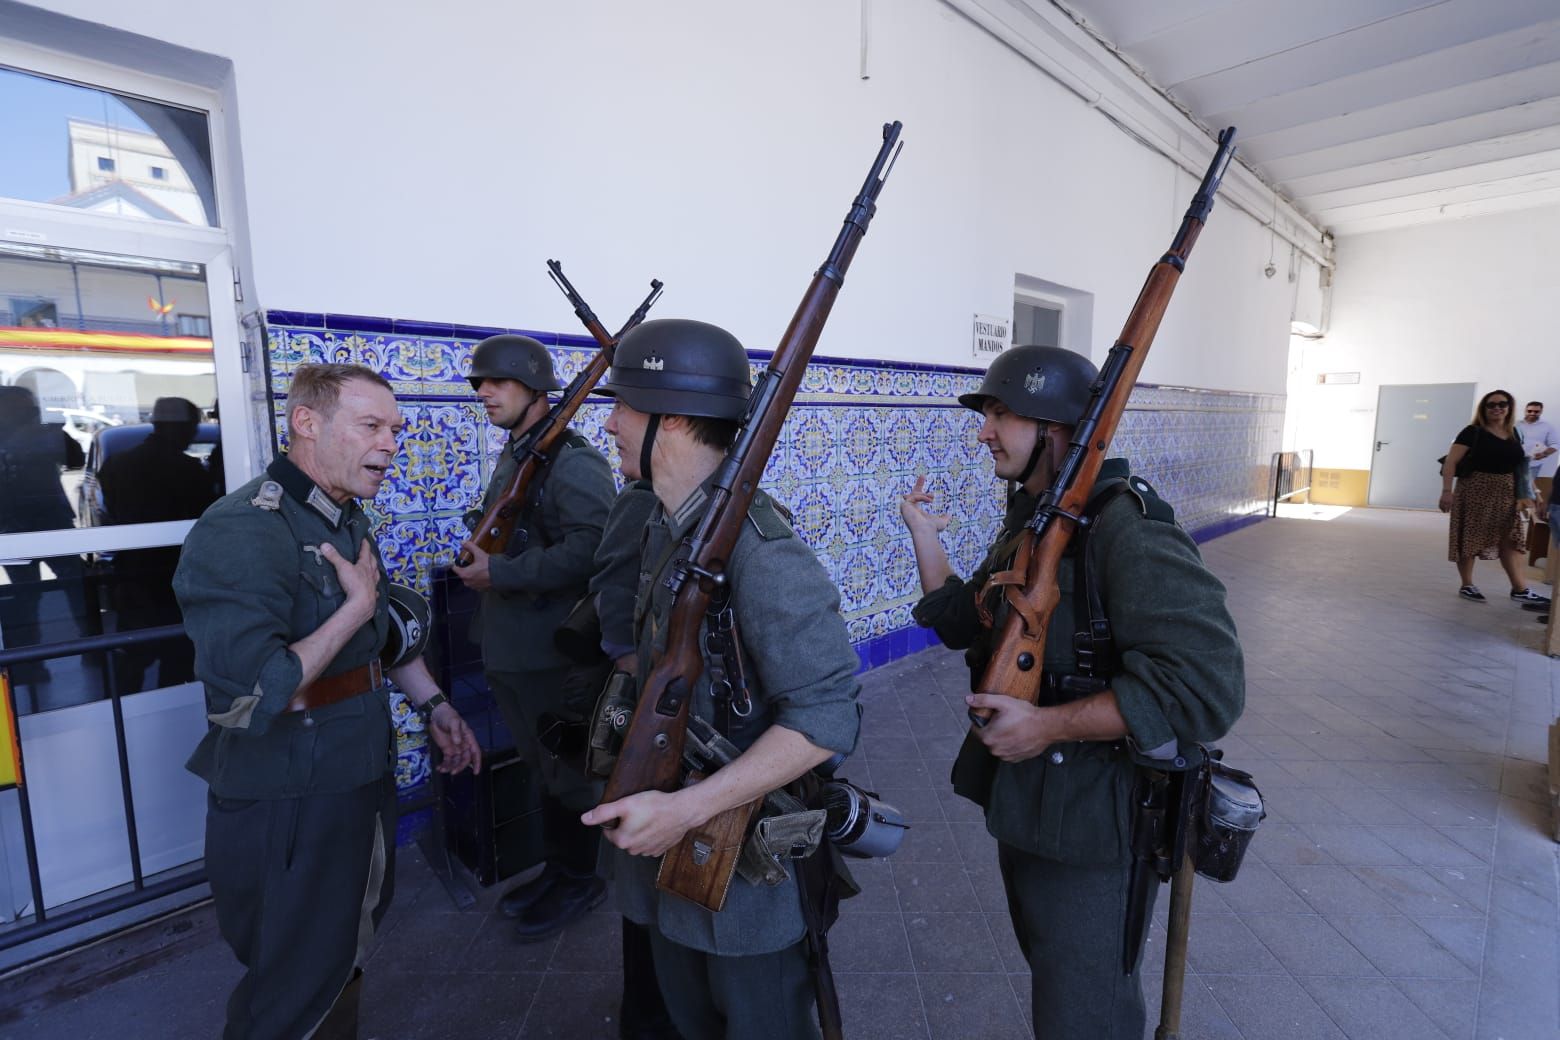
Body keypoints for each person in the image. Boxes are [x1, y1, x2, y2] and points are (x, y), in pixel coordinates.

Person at [900, 344, 1244, 1039]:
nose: (983, 431)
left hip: (1097, 825)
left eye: (1001, 415)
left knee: (1084, 1013)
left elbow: (1208, 684)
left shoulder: (1125, 527)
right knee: (1056, 977)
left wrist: (1049, 726)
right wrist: (924, 538)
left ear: (1055, 431)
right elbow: (970, 624)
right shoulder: (1039, 517)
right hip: (1030, 808)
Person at [173, 363, 482, 1040]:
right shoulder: (243, 529)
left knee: (342, 948)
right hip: (291, 793)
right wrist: (354, 609)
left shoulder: (344, 517)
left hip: (353, 771)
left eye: (395, 429)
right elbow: (251, 692)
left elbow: (379, 639)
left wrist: (434, 706)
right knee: (290, 983)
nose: (391, 443)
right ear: (305, 423)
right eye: (372, 426)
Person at [581, 318, 861, 1040]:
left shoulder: (762, 552)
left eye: (624, 406)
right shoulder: (667, 525)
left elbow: (828, 719)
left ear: (670, 419)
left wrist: (687, 808)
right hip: (665, 859)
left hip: (744, 886)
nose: (609, 424)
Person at [451, 334, 617, 939]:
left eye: (496, 382)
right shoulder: (518, 454)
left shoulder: (572, 461)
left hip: (553, 652)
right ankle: (559, 868)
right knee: (541, 769)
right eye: (478, 383)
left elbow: (597, 548)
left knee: (568, 771)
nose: (484, 392)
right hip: (512, 647)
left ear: (535, 388)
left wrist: (503, 572)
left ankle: (582, 879)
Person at [98, 396, 217, 692]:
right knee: (176, 655)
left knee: (133, 653)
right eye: (191, 428)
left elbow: (111, 509)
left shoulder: (117, 464)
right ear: (180, 428)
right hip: (174, 576)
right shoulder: (187, 471)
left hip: (133, 575)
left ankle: (124, 711)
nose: (193, 436)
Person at [1439, 389, 1546, 604]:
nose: (1497, 408)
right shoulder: (1472, 432)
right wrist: (1447, 492)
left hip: (1506, 493)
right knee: (1470, 537)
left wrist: (1535, 492)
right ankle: (1467, 585)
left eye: (1502, 404)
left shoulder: (1515, 433)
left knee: (1510, 539)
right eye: (1491, 404)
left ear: (1509, 407)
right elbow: (1451, 462)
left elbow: (1521, 467)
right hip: (1474, 490)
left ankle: (1519, 589)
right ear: (1484, 409)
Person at [1519, 400, 1559, 502]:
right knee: (1512, 488)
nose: (1532, 413)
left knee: (1526, 490)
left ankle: (1527, 515)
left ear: (1541, 412)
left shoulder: (1547, 426)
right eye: (1530, 411)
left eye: (1536, 412)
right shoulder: (1516, 424)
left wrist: (1544, 454)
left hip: (1533, 465)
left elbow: (1555, 444)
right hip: (1514, 463)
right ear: (1525, 410)